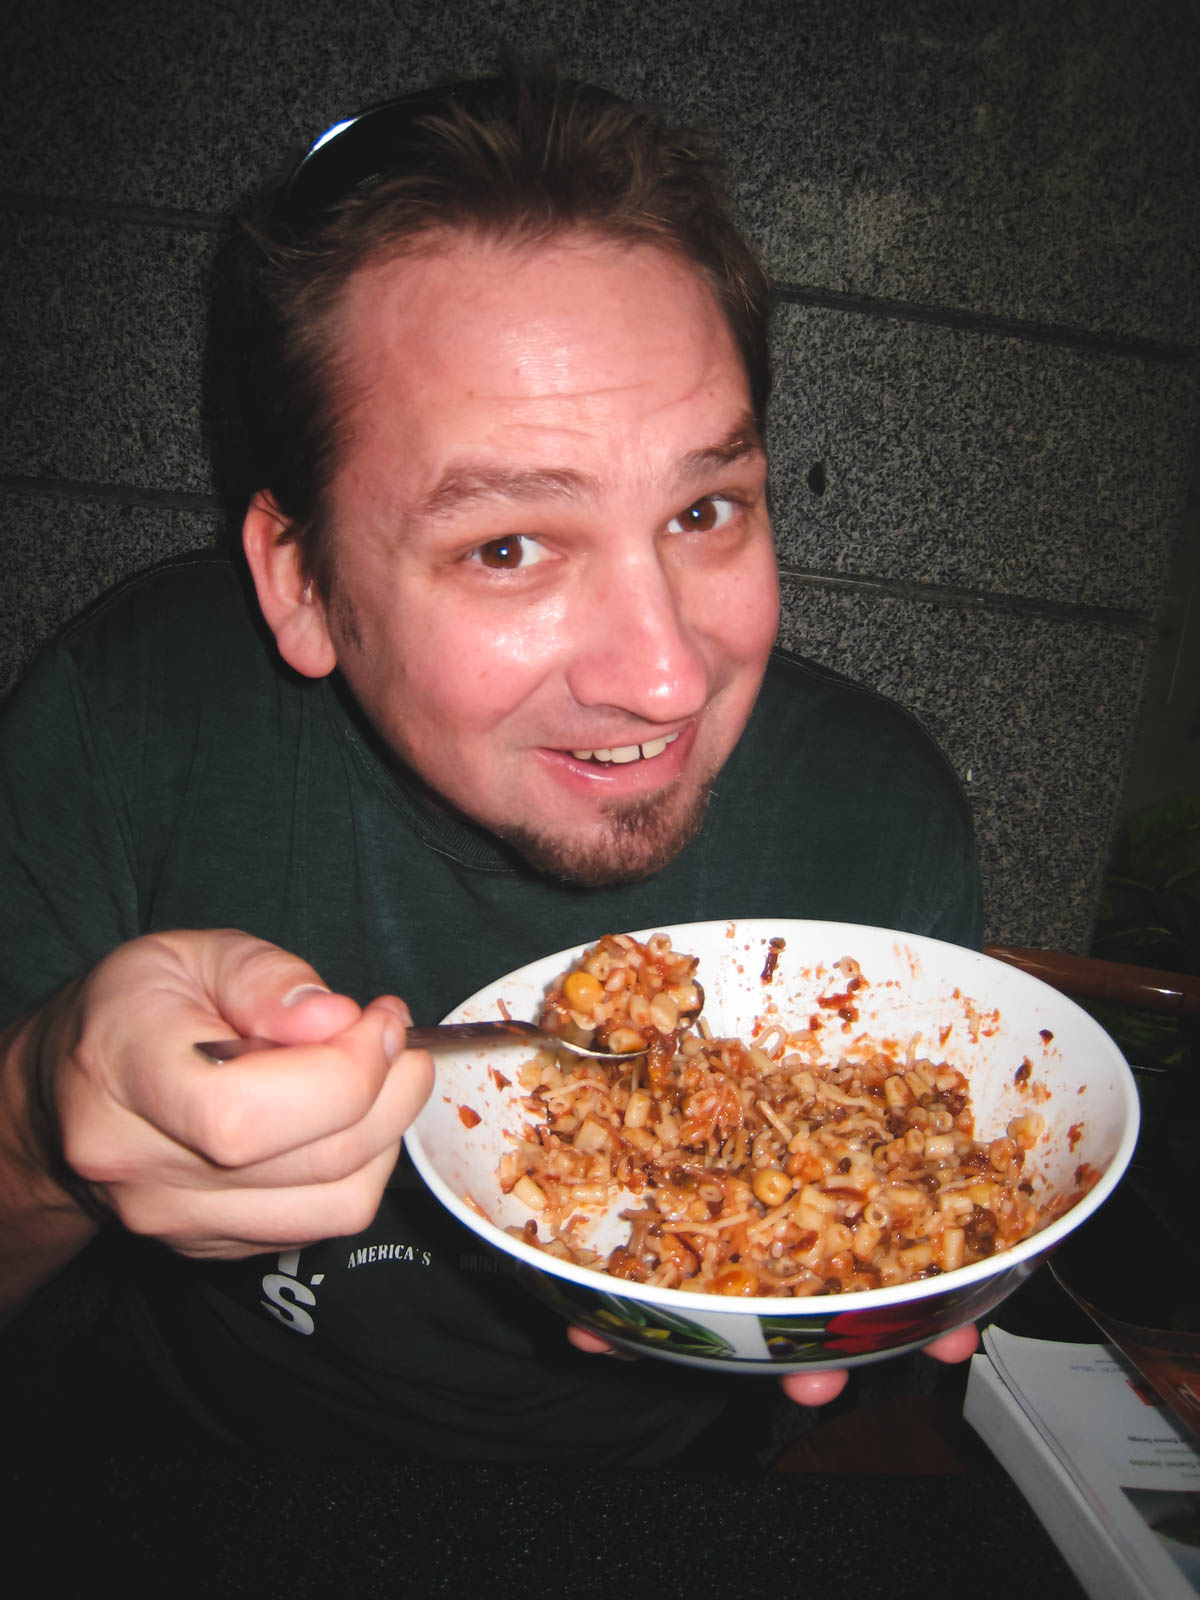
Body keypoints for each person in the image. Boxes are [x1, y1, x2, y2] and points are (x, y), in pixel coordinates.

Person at [0, 71, 981, 1466]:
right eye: (508, 546)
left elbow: (889, 1404)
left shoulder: (878, 817)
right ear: (300, 581)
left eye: (705, 509)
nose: (666, 676)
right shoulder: (132, 718)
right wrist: (38, 1132)